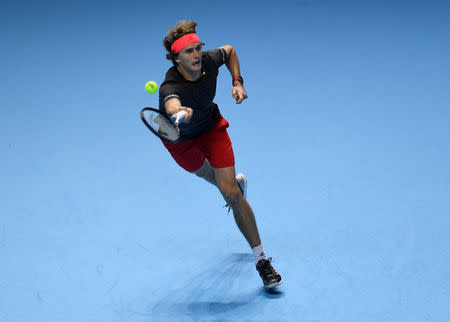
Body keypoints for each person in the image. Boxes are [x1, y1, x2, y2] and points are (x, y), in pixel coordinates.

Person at [158, 20, 282, 288]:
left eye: (198, 48)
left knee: (231, 194)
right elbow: (171, 102)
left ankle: (261, 260)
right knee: (213, 178)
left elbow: (230, 51)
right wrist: (178, 110)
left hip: (212, 129)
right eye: (189, 51)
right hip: (181, 142)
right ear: (176, 58)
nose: (196, 54)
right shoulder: (170, 85)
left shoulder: (210, 60)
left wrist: (237, 81)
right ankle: (233, 185)